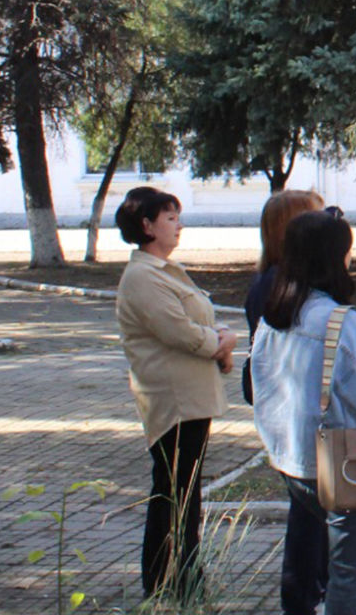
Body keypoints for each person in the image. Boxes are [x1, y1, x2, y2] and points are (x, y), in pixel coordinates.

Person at [250, 210, 356, 615]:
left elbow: (261, 386)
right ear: (335, 257)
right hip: (345, 461)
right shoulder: (339, 321)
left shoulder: (272, 317)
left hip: (291, 459)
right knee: (352, 569)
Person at [113, 186, 237, 601]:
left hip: (190, 399)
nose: (178, 224)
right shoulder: (142, 276)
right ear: (146, 226)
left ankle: (183, 579)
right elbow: (178, 331)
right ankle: (167, 583)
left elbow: (196, 321)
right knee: (173, 494)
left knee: (185, 492)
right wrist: (218, 342)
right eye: (169, 218)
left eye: (176, 216)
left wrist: (219, 339)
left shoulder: (165, 270)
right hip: (172, 402)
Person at [243, 189, 327, 615]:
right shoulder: (284, 287)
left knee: (312, 513)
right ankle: (301, 599)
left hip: (285, 413)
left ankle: (310, 592)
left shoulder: (272, 282)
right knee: (309, 518)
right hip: (298, 415)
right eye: (322, 215)